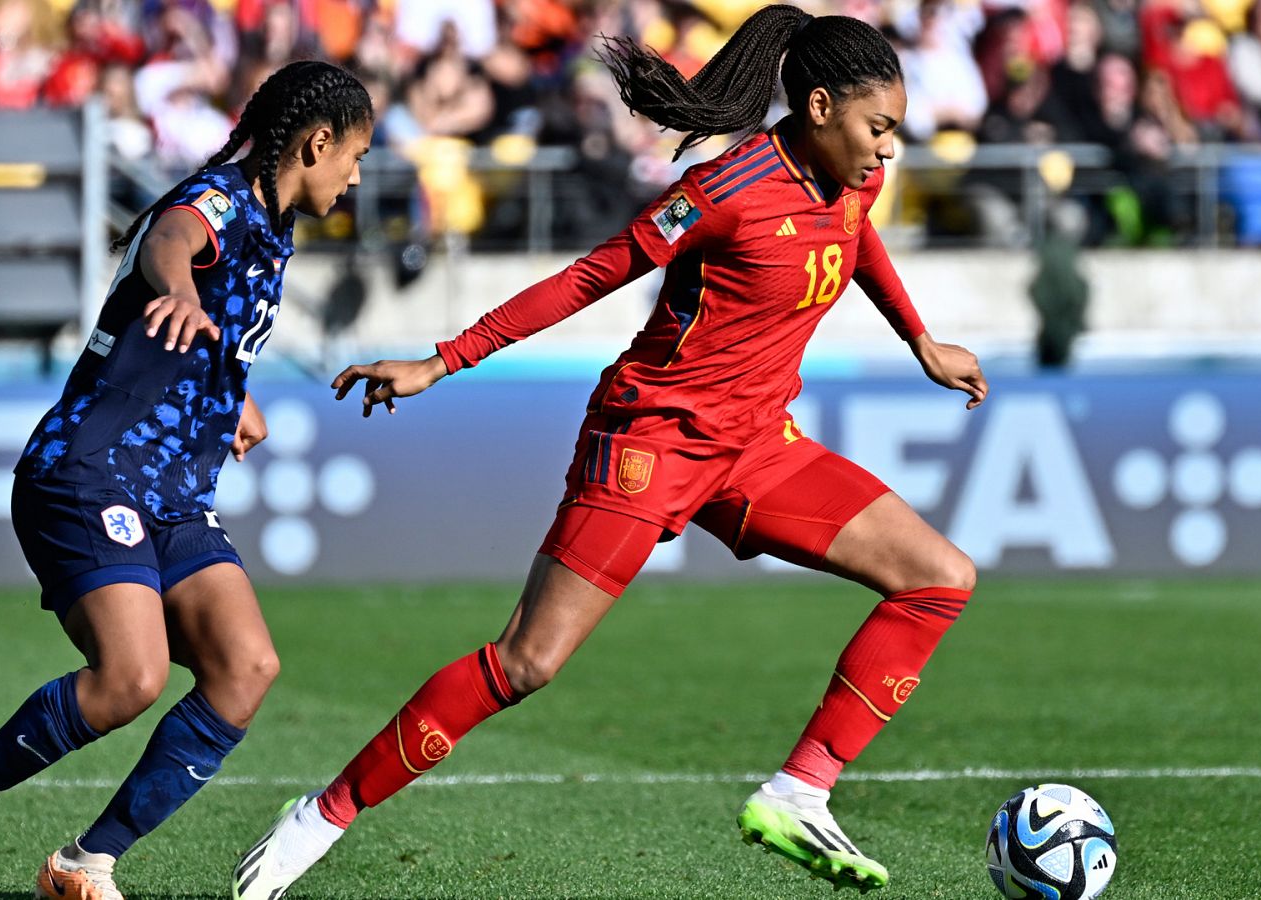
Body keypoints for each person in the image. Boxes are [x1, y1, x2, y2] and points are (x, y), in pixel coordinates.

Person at [233, 6, 988, 897]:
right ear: (819, 106)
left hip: (757, 446)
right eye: (878, 127)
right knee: (527, 662)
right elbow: (591, 275)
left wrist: (920, 341)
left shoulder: (849, 180)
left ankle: (799, 791)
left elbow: (854, 240)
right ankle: (321, 818)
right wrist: (444, 359)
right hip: (649, 442)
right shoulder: (722, 192)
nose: (887, 150)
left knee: (940, 576)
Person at [0, 60, 372, 900]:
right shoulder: (224, 198)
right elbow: (171, 239)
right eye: (354, 155)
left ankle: (85, 863)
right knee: (131, 679)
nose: (357, 175)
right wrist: (181, 289)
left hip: (173, 493)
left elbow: (204, 328)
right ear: (316, 141)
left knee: (245, 668)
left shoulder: (275, 224)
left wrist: (235, 396)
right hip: (88, 472)